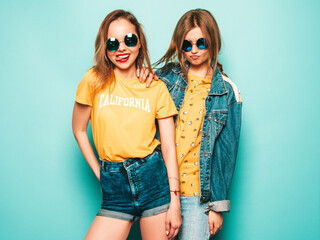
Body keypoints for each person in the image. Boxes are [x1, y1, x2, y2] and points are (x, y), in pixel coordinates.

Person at [72, 10, 181, 240]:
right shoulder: (93, 80)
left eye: (129, 40)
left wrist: (175, 201)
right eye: (113, 43)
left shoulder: (156, 87)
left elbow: (169, 148)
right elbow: (79, 129)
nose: (121, 48)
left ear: (139, 42)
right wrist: (100, 175)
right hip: (115, 187)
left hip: (154, 182)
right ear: (105, 47)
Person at [139, 9, 242, 240]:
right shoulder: (165, 78)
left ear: (212, 41)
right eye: (187, 45)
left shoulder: (227, 92)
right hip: (159, 191)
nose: (194, 50)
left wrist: (217, 206)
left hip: (198, 198)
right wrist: (143, 73)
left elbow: (226, 154)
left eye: (201, 43)